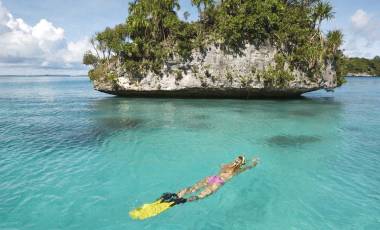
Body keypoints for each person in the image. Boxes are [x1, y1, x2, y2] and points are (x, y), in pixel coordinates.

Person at [177, 155, 260, 202]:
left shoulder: (227, 165)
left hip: (213, 177)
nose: (236, 161)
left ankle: (177, 194)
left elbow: (221, 165)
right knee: (202, 195)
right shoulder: (236, 170)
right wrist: (254, 163)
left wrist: (250, 161)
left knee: (193, 188)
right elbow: (248, 167)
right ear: (240, 165)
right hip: (219, 181)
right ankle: (186, 199)